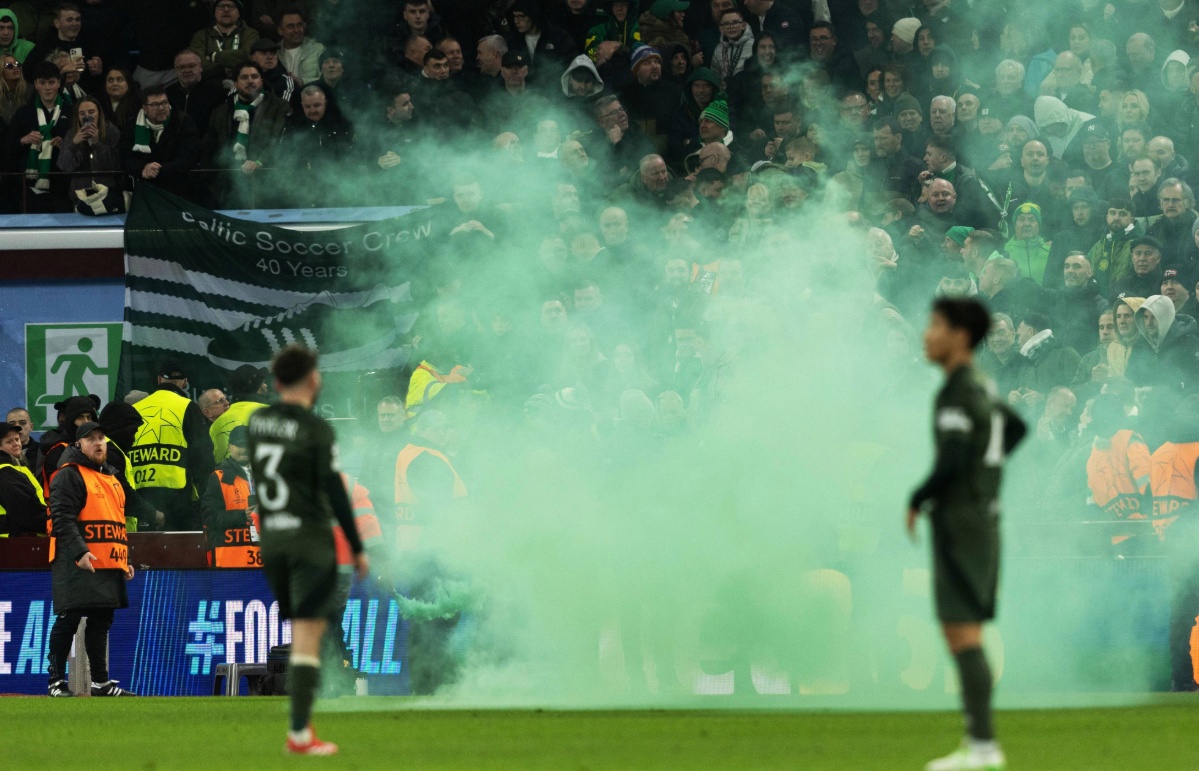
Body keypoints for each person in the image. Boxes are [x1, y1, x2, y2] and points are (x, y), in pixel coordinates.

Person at [908, 297, 1026, 771]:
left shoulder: (957, 391)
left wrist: (917, 498)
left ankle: (981, 746)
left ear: (959, 336)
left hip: (961, 521)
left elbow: (952, 459)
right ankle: (979, 743)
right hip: (983, 516)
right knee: (965, 631)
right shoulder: (982, 386)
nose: (926, 334)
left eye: (934, 325)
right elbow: (1015, 427)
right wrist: (989, 472)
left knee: (961, 634)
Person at [248, 344, 367, 755]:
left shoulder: (258, 423)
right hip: (309, 542)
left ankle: (301, 733)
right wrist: (356, 546)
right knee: (306, 640)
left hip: (273, 542)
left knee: (300, 630)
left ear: (276, 383)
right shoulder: (318, 430)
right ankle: (300, 734)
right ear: (314, 380)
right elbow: (334, 490)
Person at [46, 421, 136, 698]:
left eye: (101, 438)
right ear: (78, 445)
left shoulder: (111, 477)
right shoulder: (68, 475)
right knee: (69, 618)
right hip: (77, 559)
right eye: (91, 439)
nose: (98, 443)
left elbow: (115, 523)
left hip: (106, 561)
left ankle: (101, 683)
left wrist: (125, 559)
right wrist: (79, 551)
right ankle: (56, 682)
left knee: (101, 620)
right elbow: (62, 518)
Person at [129, 360, 215, 531]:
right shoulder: (188, 407)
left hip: (139, 494)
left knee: (144, 553)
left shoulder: (135, 408)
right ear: (185, 383)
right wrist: (207, 496)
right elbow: (202, 456)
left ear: (159, 379)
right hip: (177, 497)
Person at [200, 425, 261, 568]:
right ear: (229, 447)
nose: (244, 449)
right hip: (229, 562)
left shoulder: (267, 476)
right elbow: (208, 517)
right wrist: (242, 516)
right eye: (239, 444)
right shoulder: (219, 477)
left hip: (262, 560)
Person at [211, 364, 270, 463]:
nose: (266, 385)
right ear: (257, 387)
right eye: (262, 382)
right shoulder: (272, 415)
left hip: (228, 477)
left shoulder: (218, 422)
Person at [0, 421, 47, 537]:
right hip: (15, 543)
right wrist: (52, 522)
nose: (16, 444)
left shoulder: (17, 467)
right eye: (9, 442)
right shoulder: (4, 472)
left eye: (17, 439)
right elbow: (26, 511)